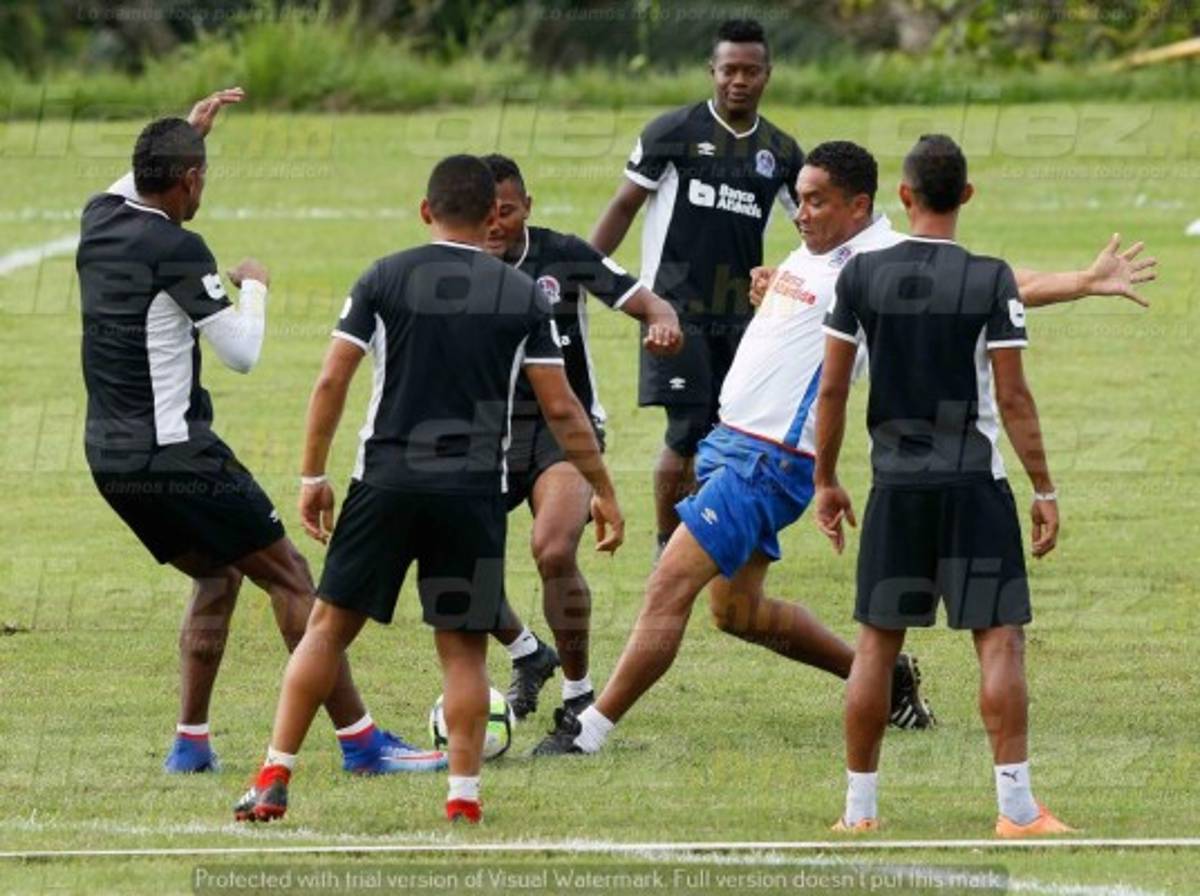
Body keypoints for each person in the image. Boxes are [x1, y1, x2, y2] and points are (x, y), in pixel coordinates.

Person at [531, 140, 1155, 759]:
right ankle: (881, 676)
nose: (801, 213)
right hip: (728, 442)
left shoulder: (882, 257)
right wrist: (772, 286)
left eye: (816, 202)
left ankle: (589, 729)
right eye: (800, 199)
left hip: (768, 459)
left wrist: (1084, 281)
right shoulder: (814, 249)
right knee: (738, 612)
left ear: (859, 205)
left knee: (668, 584)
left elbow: (1001, 282)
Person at [233, 155, 624, 825]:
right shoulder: (521, 295)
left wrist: (313, 476)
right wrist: (603, 489)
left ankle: (274, 774)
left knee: (327, 632)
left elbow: (331, 381)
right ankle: (463, 798)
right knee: (463, 650)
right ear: (492, 214)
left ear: (425, 211)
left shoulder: (383, 276)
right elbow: (563, 408)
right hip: (471, 494)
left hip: (385, 482)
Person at [78, 87, 439, 776]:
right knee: (291, 577)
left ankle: (190, 745)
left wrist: (190, 132)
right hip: (177, 455)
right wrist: (256, 285)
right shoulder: (178, 247)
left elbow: (138, 180)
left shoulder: (98, 217)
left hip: (109, 458)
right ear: (189, 181)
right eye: (200, 176)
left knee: (218, 575)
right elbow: (241, 353)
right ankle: (362, 743)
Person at [814, 134, 1073, 837]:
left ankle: (859, 812)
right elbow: (1013, 398)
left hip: (894, 487)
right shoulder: (991, 278)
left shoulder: (860, 277)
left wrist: (826, 480)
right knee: (999, 641)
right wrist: (1044, 489)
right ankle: (1016, 810)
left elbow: (832, 391)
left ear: (903, 196)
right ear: (966, 195)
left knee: (876, 646)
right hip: (972, 485)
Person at [589, 18, 805, 556]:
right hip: (673, 310)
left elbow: (814, 227)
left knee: (725, 431)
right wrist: (584, 271)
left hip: (743, 318)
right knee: (686, 429)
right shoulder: (674, 132)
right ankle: (668, 549)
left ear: (768, 74)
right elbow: (624, 205)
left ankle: (705, 545)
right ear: (712, 70)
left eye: (750, 71)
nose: (739, 80)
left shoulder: (780, 151)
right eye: (729, 69)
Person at [479, 154, 681, 720]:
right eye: (483, 213)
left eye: (506, 211)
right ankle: (527, 654)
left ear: (527, 207)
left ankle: (577, 692)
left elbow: (646, 300)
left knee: (553, 549)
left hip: (563, 429)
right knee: (453, 560)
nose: (494, 224)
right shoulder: (453, 268)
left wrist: (663, 321)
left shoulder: (562, 254)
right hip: (484, 430)